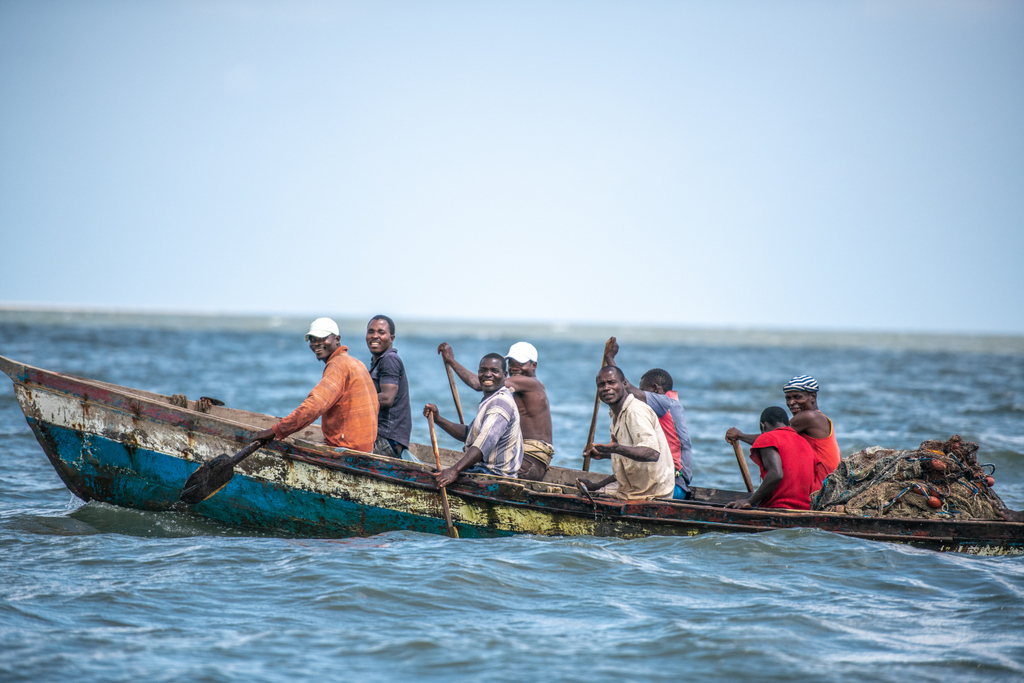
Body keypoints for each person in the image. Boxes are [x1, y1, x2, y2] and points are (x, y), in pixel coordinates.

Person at [254, 318, 378, 453]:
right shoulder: (356, 363)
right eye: (313, 339)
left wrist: (276, 431)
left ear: (337, 339)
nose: (316, 343)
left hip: (347, 449)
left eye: (323, 338)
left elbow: (314, 406)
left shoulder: (338, 365)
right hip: (366, 449)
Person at [437, 340, 553, 481]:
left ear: (534, 365)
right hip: (525, 457)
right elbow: (470, 433)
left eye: (520, 364)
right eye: (511, 363)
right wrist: (437, 418)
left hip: (530, 461)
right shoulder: (506, 394)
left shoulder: (529, 383)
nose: (514, 368)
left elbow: (478, 383)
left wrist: (451, 360)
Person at [601, 337, 693, 499]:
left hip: (673, 483)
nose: (640, 396)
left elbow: (626, 389)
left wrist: (610, 359)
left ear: (656, 389)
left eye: (644, 391)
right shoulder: (666, 405)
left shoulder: (666, 403)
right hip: (664, 476)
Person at [725, 375, 840, 490]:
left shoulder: (809, 416)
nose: (791, 402)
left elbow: (772, 439)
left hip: (822, 488)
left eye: (797, 397)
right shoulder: (817, 417)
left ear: (813, 397)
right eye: (788, 398)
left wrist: (739, 435)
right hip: (824, 485)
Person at [424, 353, 523, 487]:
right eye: (483, 370)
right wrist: (438, 419)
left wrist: (454, 470)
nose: (488, 374)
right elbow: (467, 434)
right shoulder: (491, 400)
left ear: (505, 375)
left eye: (494, 371)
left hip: (495, 477)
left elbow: (483, 445)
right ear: (478, 373)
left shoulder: (500, 404)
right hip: (483, 470)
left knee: (434, 476)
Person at [579, 366, 675, 500]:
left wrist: (617, 449)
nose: (606, 388)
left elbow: (652, 453)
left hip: (652, 494)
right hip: (632, 489)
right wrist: (597, 483)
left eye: (611, 382)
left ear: (624, 384)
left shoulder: (635, 411)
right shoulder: (616, 415)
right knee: (587, 493)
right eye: (601, 385)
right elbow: (628, 460)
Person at [724, 406, 815, 510]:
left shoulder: (767, 437)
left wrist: (750, 501)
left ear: (763, 426)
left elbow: (776, 474)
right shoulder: (805, 442)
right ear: (788, 425)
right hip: (805, 508)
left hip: (778, 507)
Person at [365, 315, 412, 459]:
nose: (375, 336)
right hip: (384, 438)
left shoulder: (389, 360)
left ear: (391, 338)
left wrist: (353, 402)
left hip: (387, 440)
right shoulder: (378, 362)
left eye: (381, 332)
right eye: (371, 331)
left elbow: (386, 398)